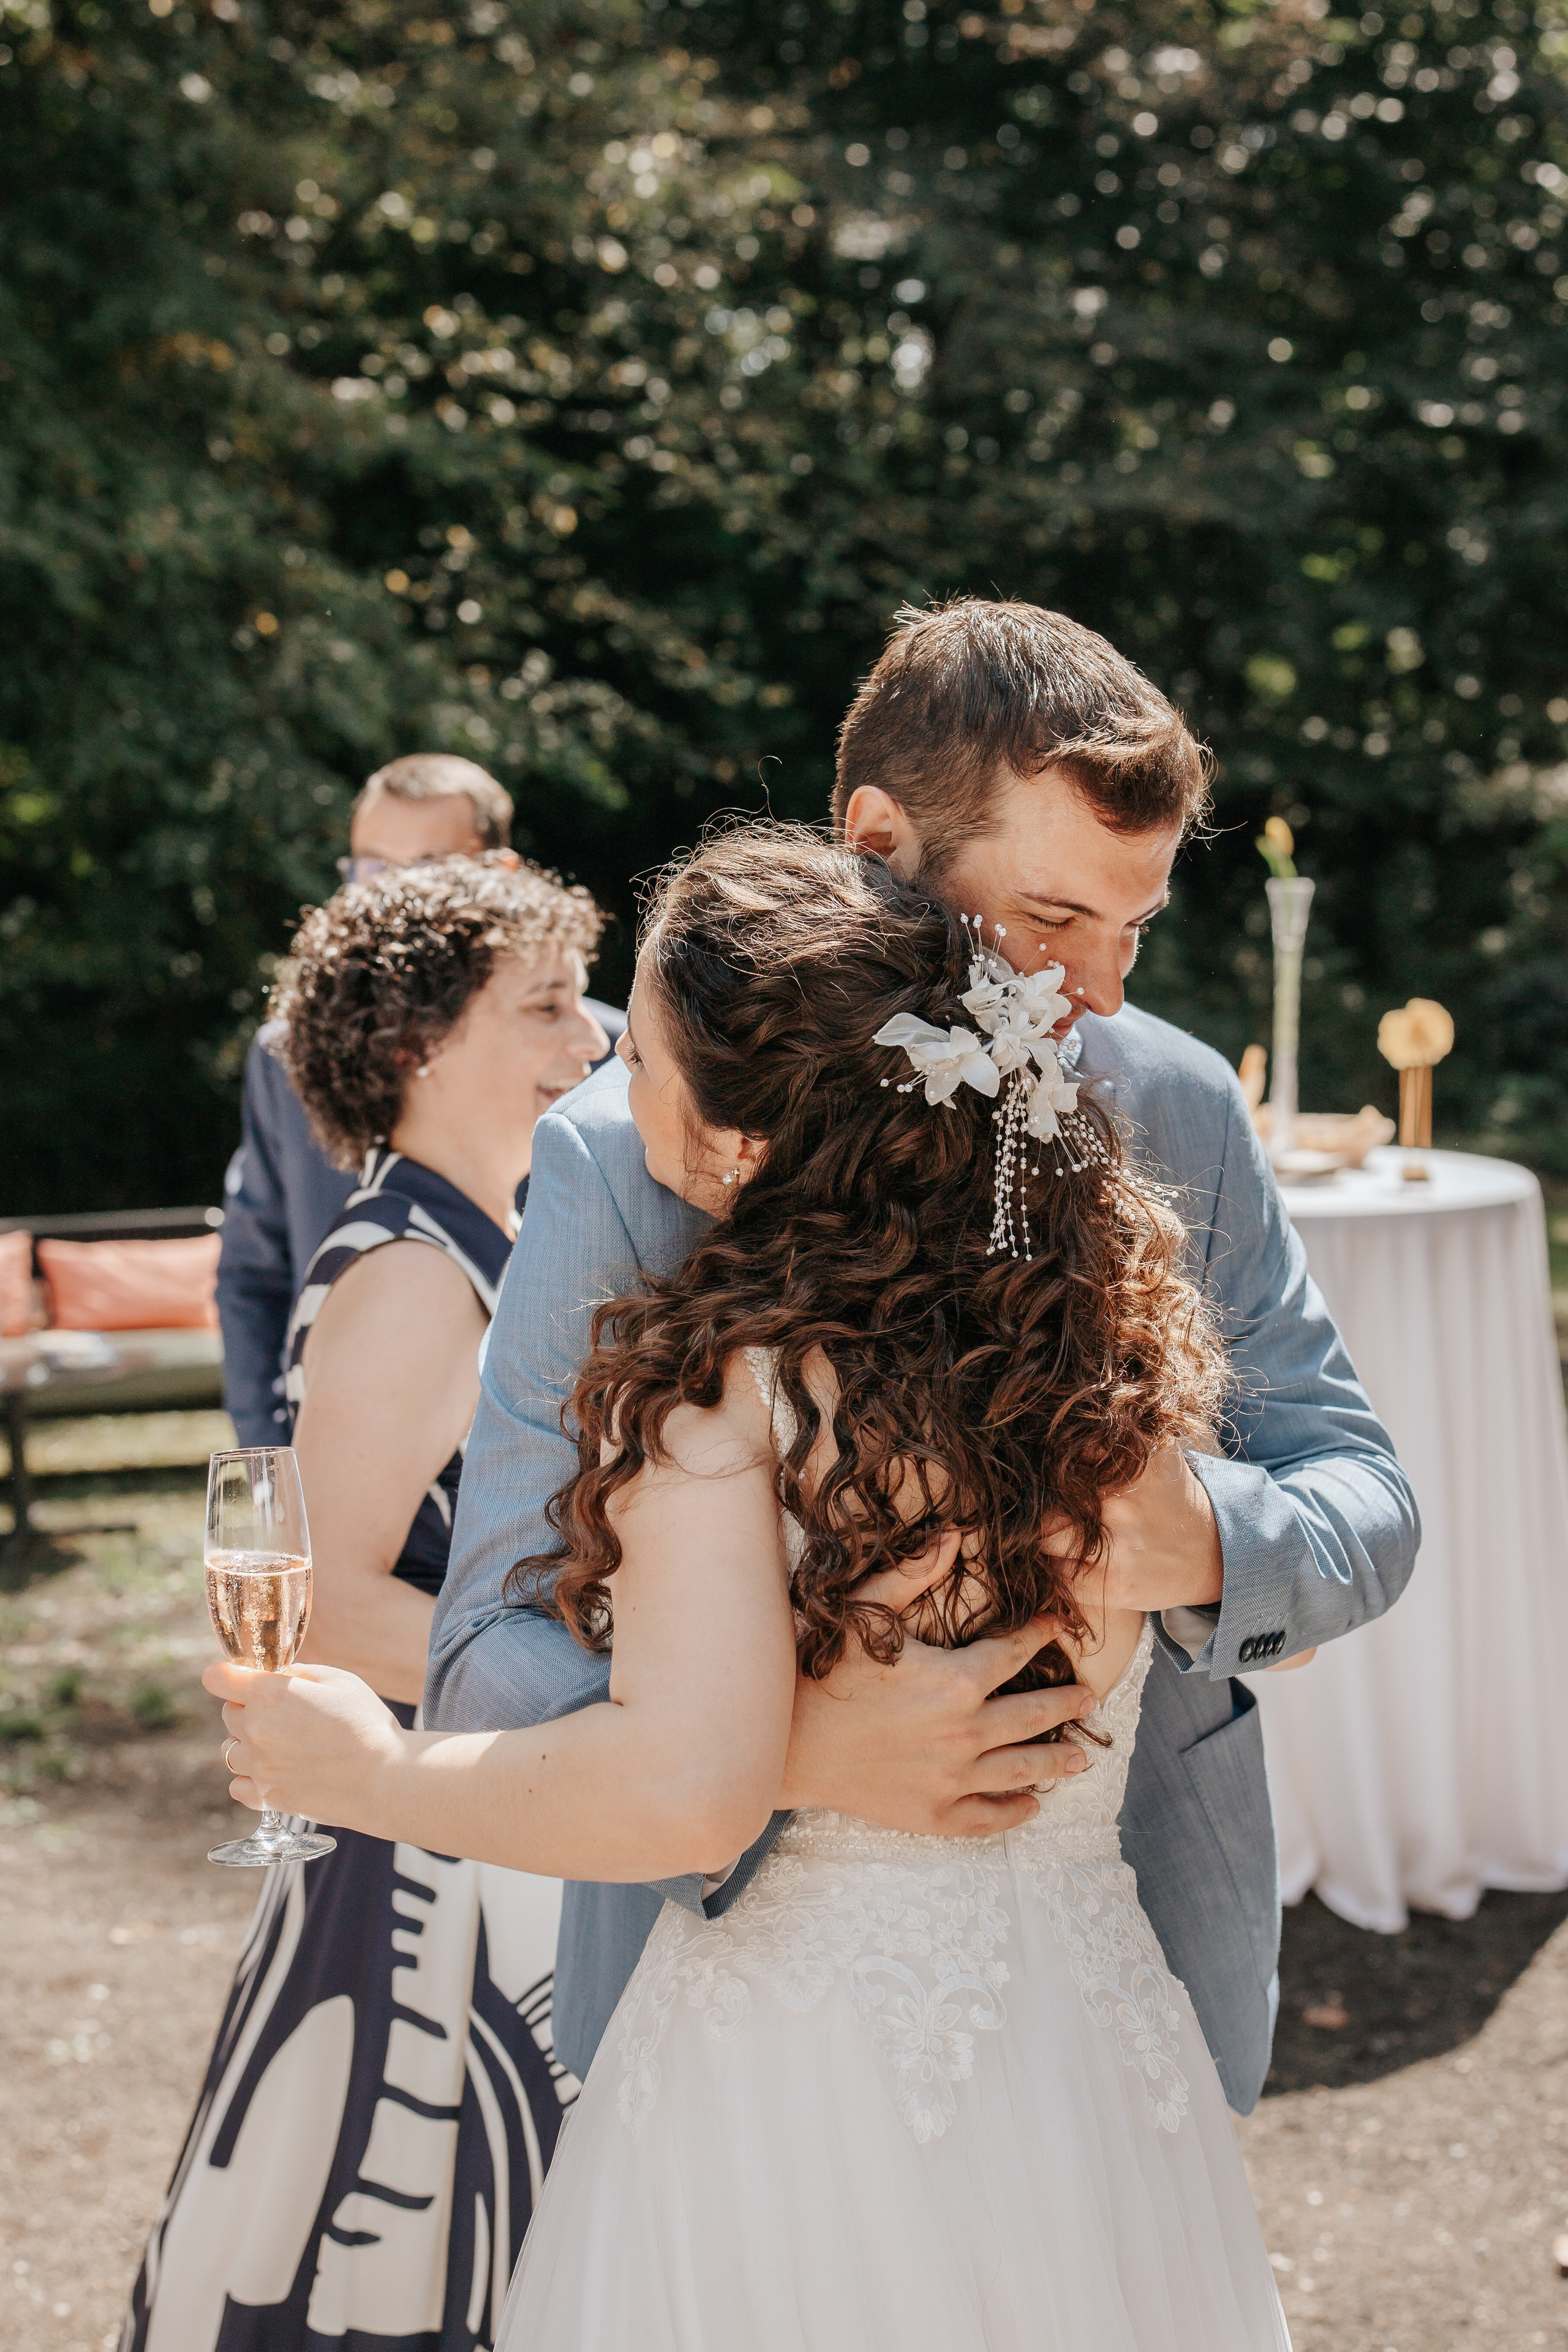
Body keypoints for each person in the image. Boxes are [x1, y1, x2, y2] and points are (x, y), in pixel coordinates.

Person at [206, 829, 1296, 2346]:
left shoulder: (729, 1400)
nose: (612, 1083)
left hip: (804, 2094)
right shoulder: (1095, 1358)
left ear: (736, 1146)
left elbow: (683, 1795)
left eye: (638, 1053)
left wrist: (373, 1768)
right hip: (1092, 2071)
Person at [420, 597, 1419, 2124]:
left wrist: (1206, 1532)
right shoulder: (633, 1150)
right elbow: (484, 1630)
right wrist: (775, 1751)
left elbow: (1364, 1496)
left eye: (1131, 923)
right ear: (875, 838)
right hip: (750, 1987)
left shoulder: (1180, 1104)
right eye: (1046, 922)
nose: (1098, 991)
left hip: (1119, 1957)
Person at [124, 856, 610, 2352]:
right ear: (415, 1046)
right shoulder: (409, 1271)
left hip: (474, 1790)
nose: (588, 1039)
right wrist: (606, 1671)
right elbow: (327, 1603)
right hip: (424, 1859)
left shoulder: (489, 1238)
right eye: (542, 1005)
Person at [216, 752, 622, 1447]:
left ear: (501, 872)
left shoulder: (619, 1052)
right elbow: (254, 1273)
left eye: (429, 866)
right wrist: (273, 1466)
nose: (396, 895)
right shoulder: (283, 1058)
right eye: (374, 868)